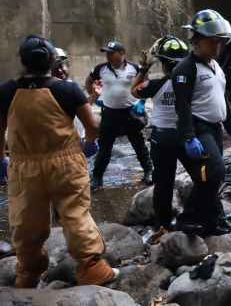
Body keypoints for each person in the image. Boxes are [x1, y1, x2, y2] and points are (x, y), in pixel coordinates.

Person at [0, 35, 119, 288]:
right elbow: (92, 125)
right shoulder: (67, 89)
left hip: (24, 166)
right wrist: (89, 143)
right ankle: (91, 267)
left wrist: (2, 160)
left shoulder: (7, 91)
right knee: (75, 213)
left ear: (23, 61)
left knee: (26, 219)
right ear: (52, 60)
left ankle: (27, 274)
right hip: (66, 163)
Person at [173, 9, 231, 236]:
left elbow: (222, 100)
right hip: (198, 127)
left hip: (214, 128)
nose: (217, 47)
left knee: (212, 177)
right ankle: (188, 218)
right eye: (212, 43)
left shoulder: (215, 67)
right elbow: (182, 107)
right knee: (215, 172)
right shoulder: (185, 69)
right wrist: (189, 137)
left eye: (219, 43)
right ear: (197, 41)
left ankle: (214, 221)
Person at [131, 36, 190, 234]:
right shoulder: (191, 83)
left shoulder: (155, 85)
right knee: (199, 177)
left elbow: (134, 90)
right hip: (186, 136)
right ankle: (195, 215)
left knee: (163, 183)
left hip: (161, 138)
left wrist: (144, 68)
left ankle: (162, 224)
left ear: (163, 64)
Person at [86, 41, 151, 189]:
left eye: (111, 53)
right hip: (110, 113)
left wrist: (142, 101)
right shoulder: (100, 69)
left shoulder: (134, 68)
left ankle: (148, 171)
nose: (108, 56)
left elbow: (146, 83)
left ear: (122, 53)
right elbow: (89, 81)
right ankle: (97, 178)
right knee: (105, 147)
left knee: (139, 144)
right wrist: (95, 98)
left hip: (131, 112)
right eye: (106, 53)